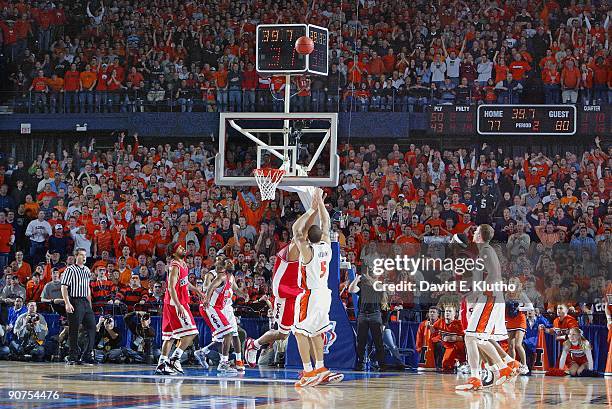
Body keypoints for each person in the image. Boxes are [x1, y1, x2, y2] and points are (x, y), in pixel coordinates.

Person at [456, 225, 517, 391]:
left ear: (480, 236)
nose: (473, 234)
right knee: (474, 337)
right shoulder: (485, 250)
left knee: (474, 336)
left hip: (489, 297)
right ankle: (482, 375)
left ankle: (500, 368)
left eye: (475, 232)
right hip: (490, 296)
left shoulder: (486, 250)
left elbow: (494, 275)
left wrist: (479, 292)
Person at [292, 188, 342, 387]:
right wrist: (320, 203)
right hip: (324, 294)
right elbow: (327, 222)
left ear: (308, 237)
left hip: (310, 294)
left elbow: (296, 230)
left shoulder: (307, 251)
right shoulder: (327, 247)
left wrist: (310, 211)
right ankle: (321, 367)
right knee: (316, 332)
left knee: (299, 332)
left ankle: (308, 371)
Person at [244, 242, 301, 368]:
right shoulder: (292, 249)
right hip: (284, 295)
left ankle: (313, 368)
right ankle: (254, 345)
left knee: (306, 331)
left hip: (299, 294)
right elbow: (299, 231)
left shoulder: (310, 250)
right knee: (282, 334)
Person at [156, 243, 202, 375]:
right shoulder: (174, 266)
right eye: (180, 248)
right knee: (191, 332)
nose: (183, 248)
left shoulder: (183, 264)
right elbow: (171, 287)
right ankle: (175, 359)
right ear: (174, 252)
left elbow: (185, 283)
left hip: (176, 302)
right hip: (175, 303)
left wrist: (197, 291)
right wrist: (178, 305)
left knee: (169, 337)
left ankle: (161, 363)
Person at [200, 258, 248, 374]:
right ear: (224, 267)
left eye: (231, 262)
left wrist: (243, 295)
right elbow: (210, 287)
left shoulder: (231, 278)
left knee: (228, 334)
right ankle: (223, 363)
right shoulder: (221, 276)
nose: (231, 263)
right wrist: (206, 298)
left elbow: (235, 289)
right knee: (227, 334)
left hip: (219, 309)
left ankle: (220, 359)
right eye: (228, 262)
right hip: (211, 307)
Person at [61, 248, 97, 365]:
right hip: (74, 300)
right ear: (76, 256)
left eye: (85, 255)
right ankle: (73, 355)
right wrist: (67, 303)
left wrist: (89, 305)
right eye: (82, 255)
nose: (84, 257)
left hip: (85, 302)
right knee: (74, 329)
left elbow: (87, 289)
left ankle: (87, 354)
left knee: (92, 327)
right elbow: (64, 287)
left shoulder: (87, 270)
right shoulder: (70, 269)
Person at [349, 265, 386, 371]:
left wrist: (384, 323)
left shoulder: (379, 285)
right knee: (361, 341)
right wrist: (356, 278)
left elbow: (385, 304)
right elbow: (351, 290)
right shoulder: (363, 285)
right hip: (363, 314)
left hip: (375, 315)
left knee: (378, 342)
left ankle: (382, 365)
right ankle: (360, 364)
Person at [504, 277, 533, 375]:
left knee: (518, 344)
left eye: (513, 282)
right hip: (510, 320)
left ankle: (525, 366)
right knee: (510, 345)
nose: (511, 283)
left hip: (520, 320)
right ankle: (513, 366)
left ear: (517, 284)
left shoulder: (522, 294)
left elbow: (530, 307)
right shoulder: (506, 295)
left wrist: (519, 308)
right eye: (510, 281)